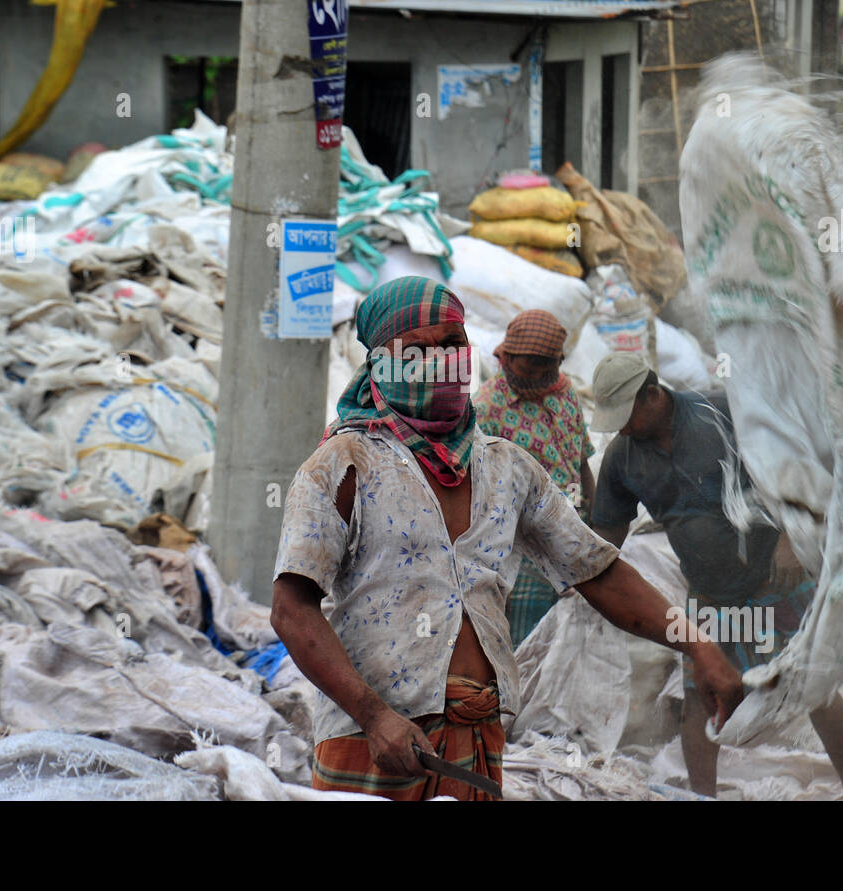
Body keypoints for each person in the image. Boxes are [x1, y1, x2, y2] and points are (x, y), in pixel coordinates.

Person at [270, 277, 743, 800]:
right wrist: (373, 715)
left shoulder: (508, 468)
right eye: (417, 351)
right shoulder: (341, 466)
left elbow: (598, 571)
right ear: (381, 363)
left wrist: (696, 644)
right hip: (371, 743)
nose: (438, 361)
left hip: (478, 741)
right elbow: (292, 610)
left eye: (450, 344)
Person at [588, 352, 843, 800]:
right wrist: (582, 569)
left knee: (813, 686)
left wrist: (790, 541)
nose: (619, 429)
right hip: (708, 592)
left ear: (653, 395)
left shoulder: (723, 412)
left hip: (776, 580)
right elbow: (608, 529)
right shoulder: (622, 459)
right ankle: (704, 797)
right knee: (700, 700)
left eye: (626, 416)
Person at [473, 309, 595, 647]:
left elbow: (581, 460)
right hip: (523, 547)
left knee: (569, 642)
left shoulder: (564, 394)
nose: (538, 376)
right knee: (527, 643)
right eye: (529, 367)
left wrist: (592, 523)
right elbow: (481, 496)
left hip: (572, 536)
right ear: (507, 356)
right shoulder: (487, 409)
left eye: (547, 368)